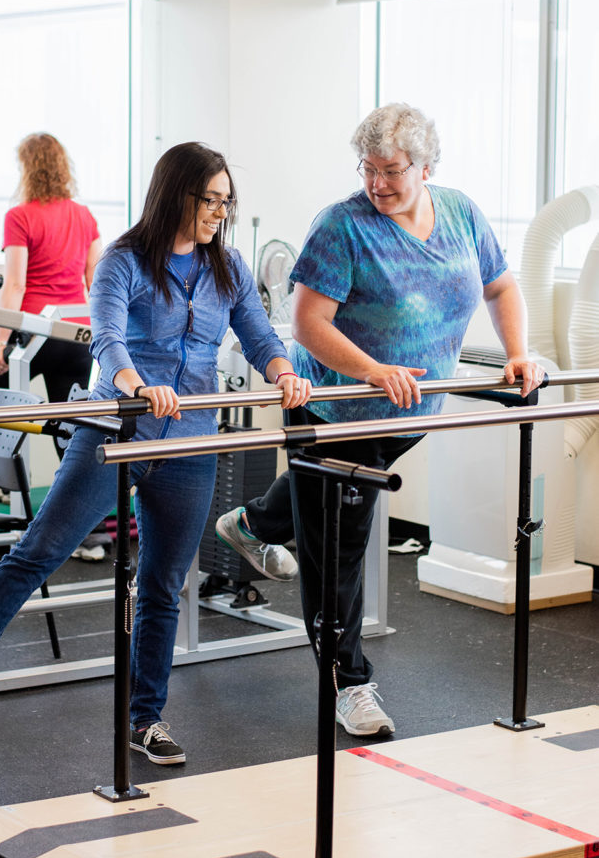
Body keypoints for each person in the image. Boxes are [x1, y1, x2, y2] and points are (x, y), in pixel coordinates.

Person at [0, 141, 312, 765]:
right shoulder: (125, 260)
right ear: (174, 194)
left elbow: (257, 331)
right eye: (207, 200)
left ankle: (145, 720)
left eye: (224, 202)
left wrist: (282, 369)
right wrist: (136, 385)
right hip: (114, 432)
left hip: (190, 442)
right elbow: (106, 336)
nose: (217, 212)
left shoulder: (230, 267)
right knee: (41, 549)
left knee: (160, 584)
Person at [216, 103, 546, 739]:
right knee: (336, 542)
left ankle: (255, 522)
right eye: (368, 169)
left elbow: (500, 287)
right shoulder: (343, 226)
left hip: (408, 412)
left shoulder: (461, 214)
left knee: (330, 506)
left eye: (392, 170)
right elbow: (310, 322)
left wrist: (517, 355)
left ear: (428, 167)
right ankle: (351, 683)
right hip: (332, 410)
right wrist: (371, 369)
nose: (378, 183)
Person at [0, 133, 108, 558]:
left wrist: (0, 343)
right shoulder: (85, 216)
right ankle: (83, 534)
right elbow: (96, 282)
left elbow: (15, 284)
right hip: (76, 333)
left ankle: (0, 482)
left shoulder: (20, 215)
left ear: (27, 169)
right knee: (69, 427)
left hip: (36, 331)